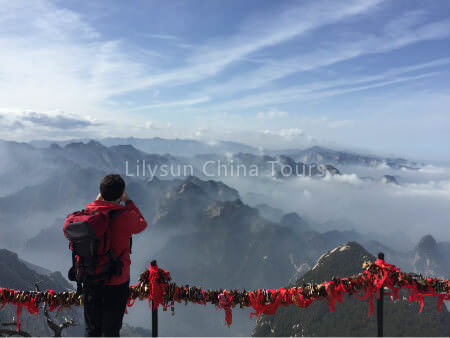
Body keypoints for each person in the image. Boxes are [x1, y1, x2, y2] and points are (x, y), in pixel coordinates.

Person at [83, 174, 147, 336]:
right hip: (117, 282)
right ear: (120, 195)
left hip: (91, 279)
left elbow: (93, 209)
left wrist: (99, 200)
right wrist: (128, 201)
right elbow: (142, 223)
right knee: (111, 332)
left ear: (101, 193)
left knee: (92, 331)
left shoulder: (89, 215)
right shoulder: (124, 217)